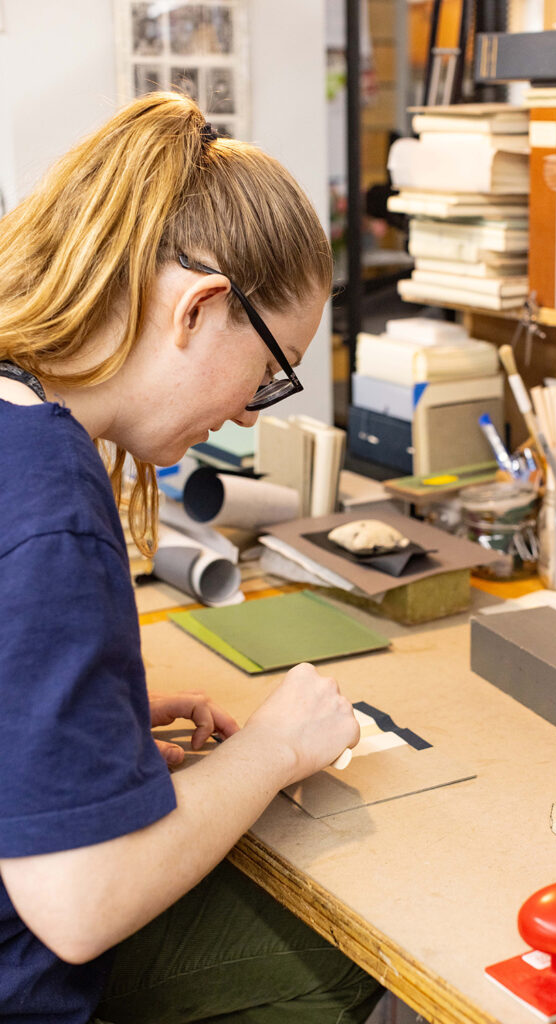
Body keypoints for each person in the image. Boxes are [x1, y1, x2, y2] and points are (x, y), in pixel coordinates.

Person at [0, 91, 382, 1024]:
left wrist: (97, 739)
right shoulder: (52, 504)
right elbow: (79, 907)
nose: (252, 412)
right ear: (202, 306)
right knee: (337, 956)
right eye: (269, 370)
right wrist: (270, 749)